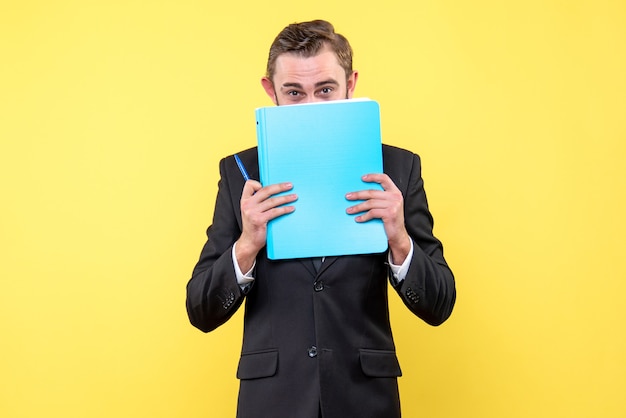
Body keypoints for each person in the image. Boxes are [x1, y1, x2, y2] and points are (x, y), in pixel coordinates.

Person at [186, 19, 456, 418]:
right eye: (294, 92)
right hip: (273, 402)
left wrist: (400, 240)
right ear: (269, 92)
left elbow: (439, 305)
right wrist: (246, 246)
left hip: (365, 400)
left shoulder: (398, 169)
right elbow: (201, 311)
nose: (310, 106)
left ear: (351, 84)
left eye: (325, 90)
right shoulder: (240, 173)